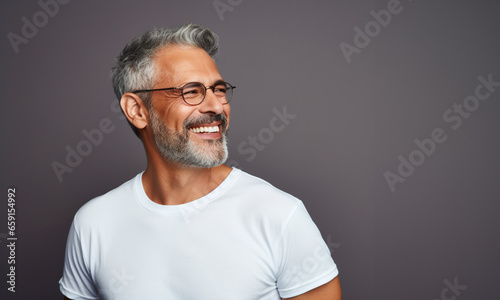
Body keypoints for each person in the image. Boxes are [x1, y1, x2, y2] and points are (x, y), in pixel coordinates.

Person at [59, 23, 341, 300]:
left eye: (219, 89)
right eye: (191, 91)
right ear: (137, 110)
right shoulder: (93, 224)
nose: (217, 106)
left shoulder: (279, 215)